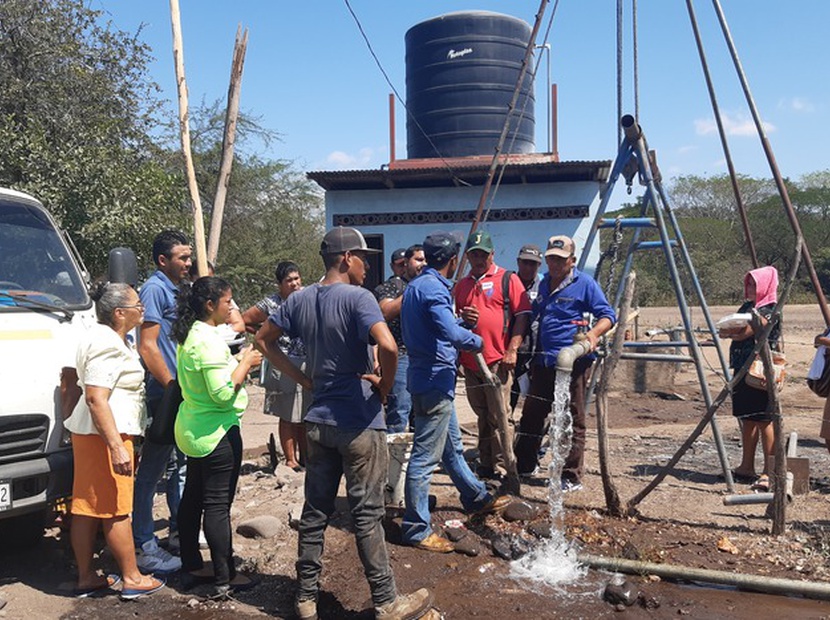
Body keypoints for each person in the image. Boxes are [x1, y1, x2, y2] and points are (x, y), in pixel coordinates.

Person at [255, 227, 433, 620]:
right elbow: (387, 345)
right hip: (359, 422)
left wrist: (303, 379)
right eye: (363, 258)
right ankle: (387, 602)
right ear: (345, 258)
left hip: (317, 421)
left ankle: (305, 598)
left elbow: (263, 340)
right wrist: (385, 386)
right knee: (367, 515)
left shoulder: (299, 299)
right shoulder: (359, 298)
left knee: (315, 512)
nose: (367, 265)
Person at [401, 231, 511, 554]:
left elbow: (434, 325)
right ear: (453, 261)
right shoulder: (435, 288)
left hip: (426, 378)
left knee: (451, 449)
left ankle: (476, 498)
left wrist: (457, 322)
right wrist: (476, 339)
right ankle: (416, 527)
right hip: (435, 381)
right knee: (424, 458)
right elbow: (451, 333)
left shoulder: (416, 286)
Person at [65, 282, 165, 599]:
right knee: (116, 508)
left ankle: (86, 576)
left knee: (87, 506)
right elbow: (96, 397)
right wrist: (116, 446)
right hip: (107, 435)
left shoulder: (99, 336)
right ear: (120, 313)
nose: (142, 308)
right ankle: (132, 577)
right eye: (138, 304)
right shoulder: (107, 343)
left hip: (91, 433)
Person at [172, 276, 263, 598]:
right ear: (210, 305)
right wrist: (247, 362)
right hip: (216, 432)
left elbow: (211, 379)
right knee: (216, 505)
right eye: (228, 302)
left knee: (193, 498)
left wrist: (236, 363)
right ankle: (225, 577)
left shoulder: (191, 334)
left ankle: (192, 565)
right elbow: (224, 393)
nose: (232, 307)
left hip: (194, 428)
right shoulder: (208, 341)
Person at [514, 235, 616, 492]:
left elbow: (608, 316)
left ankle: (570, 476)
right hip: (544, 360)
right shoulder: (543, 284)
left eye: (560, 260)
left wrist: (593, 335)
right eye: (551, 259)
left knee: (572, 416)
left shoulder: (585, 284)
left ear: (572, 260)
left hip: (574, 363)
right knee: (533, 414)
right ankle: (525, 465)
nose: (555, 264)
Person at [453, 230, 531, 480]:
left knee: (501, 416)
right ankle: (486, 464)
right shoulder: (461, 286)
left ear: (492, 254)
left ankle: (505, 467)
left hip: (498, 361)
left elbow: (522, 316)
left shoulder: (507, 279)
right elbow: (453, 321)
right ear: (467, 256)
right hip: (471, 363)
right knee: (482, 416)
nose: (478, 259)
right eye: (474, 254)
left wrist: (512, 349)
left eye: (483, 255)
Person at [134, 230, 190, 573]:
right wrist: (170, 387)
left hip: (182, 391)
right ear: (162, 260)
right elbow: (148, 345)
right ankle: (143, 544)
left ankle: (179, 533)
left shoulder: (178, 289)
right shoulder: (154, 289)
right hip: (165, 393)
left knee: (181, 466)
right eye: (182, 258)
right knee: (153, 471)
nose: (187, 263)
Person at [718, 266, 781, 491]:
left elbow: (747, 330)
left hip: (760, 370)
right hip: (742, 369)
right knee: (747, 418)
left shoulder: (772, 309)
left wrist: (731, 332)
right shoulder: (747, 306)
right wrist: (730, 331)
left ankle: (768, 471)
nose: (751, 288)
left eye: (755, 284)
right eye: (750, 283)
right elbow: (729, 330)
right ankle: (746, 466)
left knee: (765, 420)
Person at [242, 261, 309, 471]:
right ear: (280, 284)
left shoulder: (307, 297)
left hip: (307, 360)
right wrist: (265, 336)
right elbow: (244, 320)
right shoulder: (271, 304)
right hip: (282, 361)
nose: (294, 284)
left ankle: (306, 458)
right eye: (289, 280)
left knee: (304, 413)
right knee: (287, 413)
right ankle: (291, 459)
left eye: (297, 279)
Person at [373, 244, 426, 433]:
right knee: (399, 412)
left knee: (423, 414)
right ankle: (393, 460)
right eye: (418, 260)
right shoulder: (390, 287)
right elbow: (385, 312)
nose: (422, 264)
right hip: (401, 356)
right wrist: (413, 291)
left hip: (423, 357)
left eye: (424, 260)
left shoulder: (428, 286)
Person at [510, 244, 543, 412]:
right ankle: (506, 425)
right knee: (510, 392)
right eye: (525, 263)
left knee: (537, 396)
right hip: (513, 350)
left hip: (537, 351)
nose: (529, 267)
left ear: (539, 265)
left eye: (533, 264)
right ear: (518, 262)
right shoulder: (508, 283)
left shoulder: (545, 285)